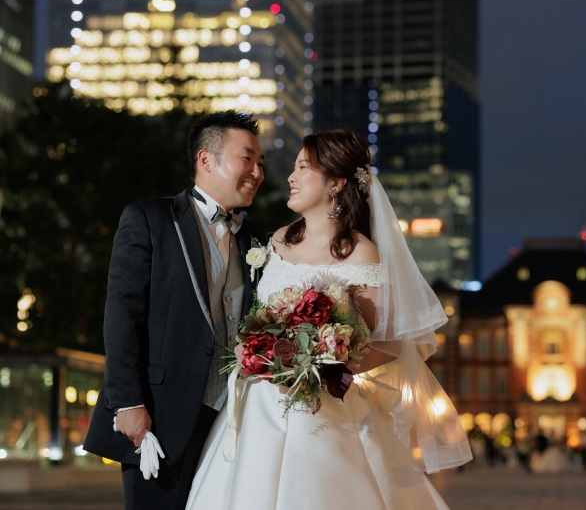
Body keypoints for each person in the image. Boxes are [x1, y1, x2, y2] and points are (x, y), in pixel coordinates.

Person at [185, 129, 471, 509]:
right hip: (257, 406)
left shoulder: (359, 253)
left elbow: (389, 342)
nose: (290, 177)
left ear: (335, 183)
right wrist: (256, 350)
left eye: (303, 167)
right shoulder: (276, 241)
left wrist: (323, 363)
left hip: (323, 410)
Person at [83, 111, 267, 510]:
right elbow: (122, 316)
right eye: (247, 159)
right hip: (160, 415)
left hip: (231, 417)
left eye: (260, 164)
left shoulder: (255, 238)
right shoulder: (149, 219)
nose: (257, 172)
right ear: (206, 160)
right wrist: (128, 403)